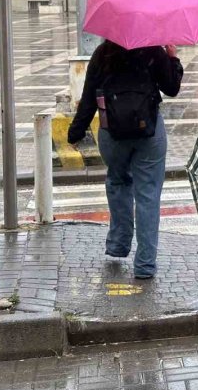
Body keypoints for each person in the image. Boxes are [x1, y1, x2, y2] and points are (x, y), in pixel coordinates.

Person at [68, 41, 184, 280]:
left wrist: (76, 132)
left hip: (112, 133)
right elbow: (171, 88)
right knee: (148, 195)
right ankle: (145, 264)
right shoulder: (153, 51)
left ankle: (118, 245)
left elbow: (89, 96)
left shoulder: (103, 53)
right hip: (148, 132)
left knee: (118, 181)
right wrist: (173, 58)